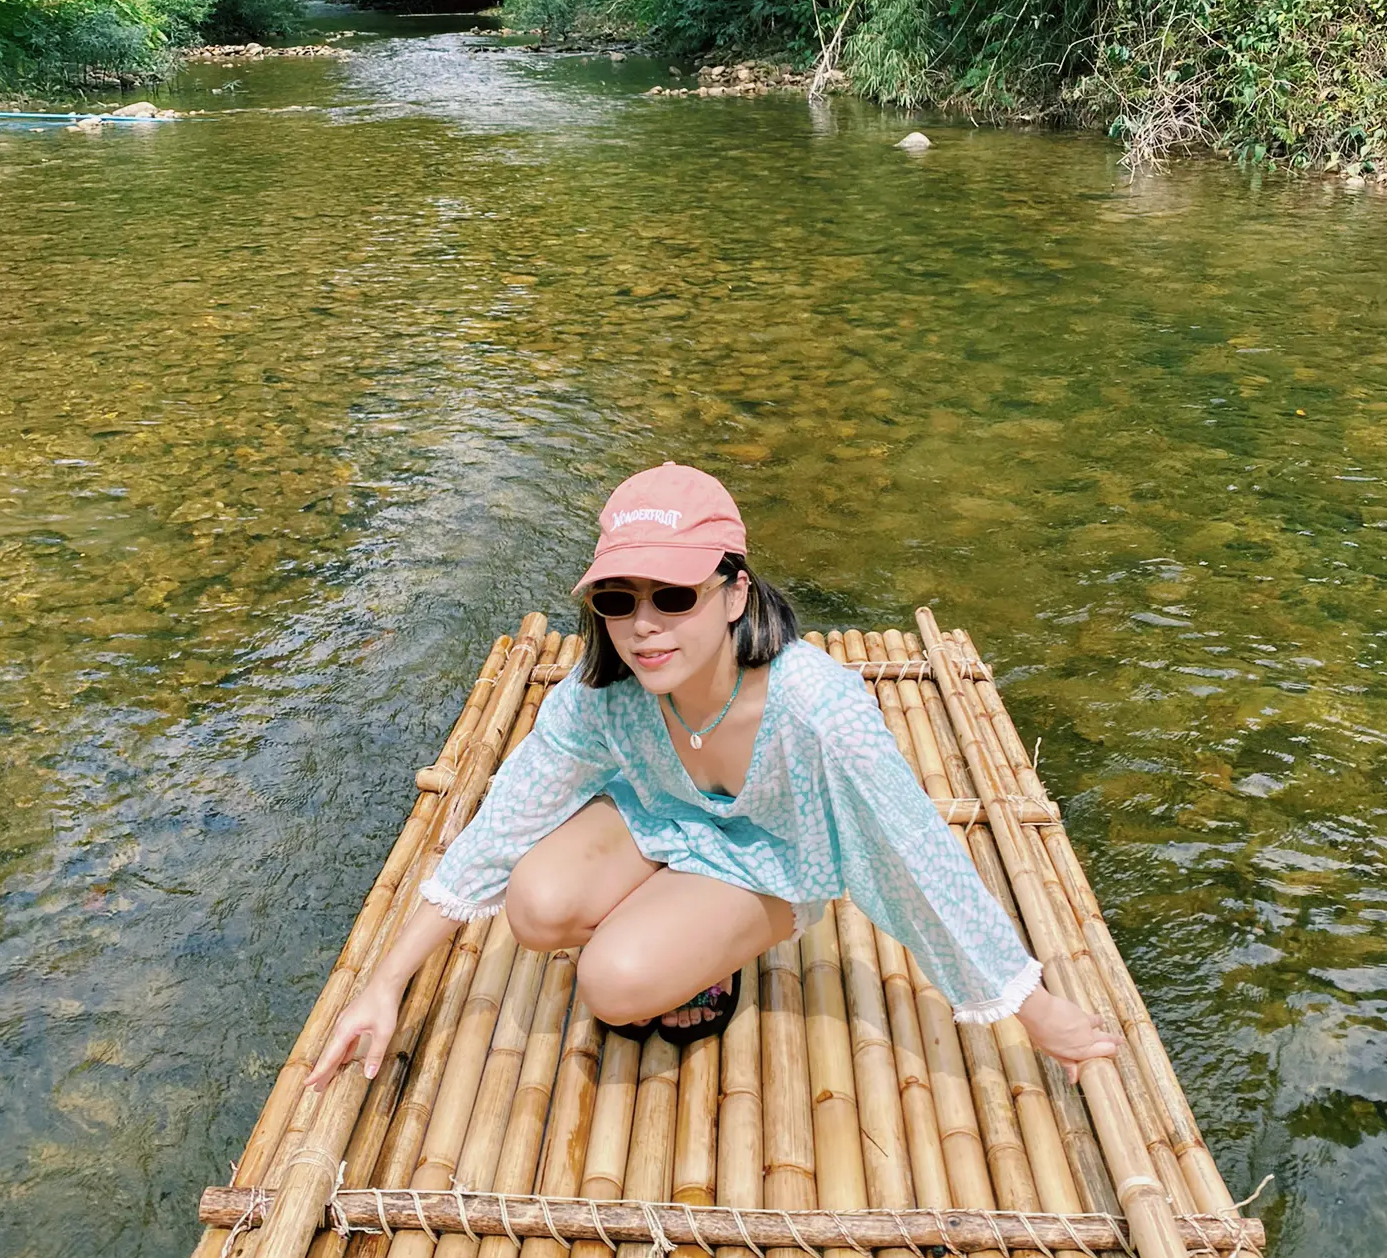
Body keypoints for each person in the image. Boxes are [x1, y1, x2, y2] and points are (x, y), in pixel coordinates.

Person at [307, 463, 1116, 1091]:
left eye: (674, 594)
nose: (644, 625)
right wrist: (384, 983)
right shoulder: (603, 699)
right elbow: (502, 825)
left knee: (615, 984)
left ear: (734, 593)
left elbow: (916, 854)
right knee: (534, 905)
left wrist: (1033, 1009)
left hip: (770, 858)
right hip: (662, 821)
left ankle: (712, 947)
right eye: (619, 600)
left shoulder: (816, 708)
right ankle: (680, 922)